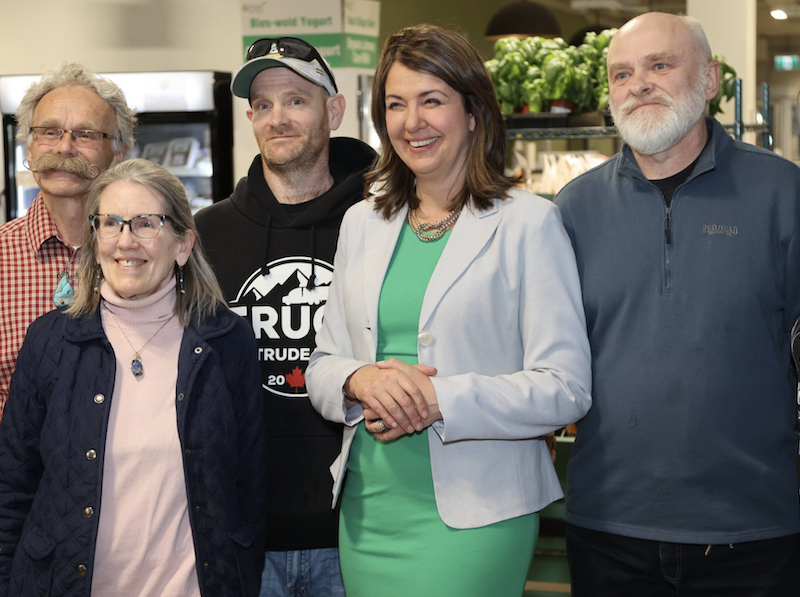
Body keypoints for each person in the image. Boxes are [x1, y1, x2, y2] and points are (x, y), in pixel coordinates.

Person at [306, 23, 592, 597]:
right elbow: (322, 364)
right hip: (368, 508)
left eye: (432, 100)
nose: (412, 122)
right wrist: (359, 379)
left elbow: (565, 387)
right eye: (396, 104)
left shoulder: (529, 223)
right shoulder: (362, 222)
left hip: (479, 515)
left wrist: (439, 400)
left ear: (473, 112)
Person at [554, 12, 800, 597]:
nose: (637, 84)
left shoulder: (783, 194)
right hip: (607, 530)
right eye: (620, 74)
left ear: (711, 79)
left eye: (660, 65)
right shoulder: (570, 210)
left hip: (753, 535)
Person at [0, 159, 267, 596]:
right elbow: (12, 487)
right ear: (95, 237)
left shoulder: (226, 341)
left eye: (146, 223)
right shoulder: (50, 341)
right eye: (111, 223)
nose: (126, 241)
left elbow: (249, 489)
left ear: (183, 245)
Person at [194, 37, 376, 597]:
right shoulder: (204, 235)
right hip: (244, 537)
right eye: (264, 106)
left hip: (359, 536)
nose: (278, 118)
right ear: (250, 117)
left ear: (334, 111)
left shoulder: (382, 224)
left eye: (296, 100)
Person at [0, 62, 136, 419]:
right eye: (49, 132)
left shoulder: (146, 257)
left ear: (118, 155)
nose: (64, 148)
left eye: (86, 134)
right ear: (28, 148)